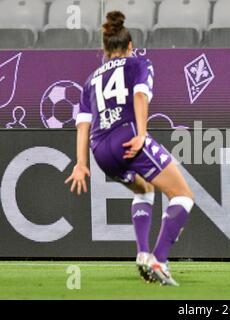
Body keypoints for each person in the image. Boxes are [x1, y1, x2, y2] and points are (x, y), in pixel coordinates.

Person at [65, 11, 194, 286]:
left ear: (104, 49)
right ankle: (159, 259)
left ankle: (143, 253)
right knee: (183, 195)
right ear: (130, 47)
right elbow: (139, 95)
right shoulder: (138, 63)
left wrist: (80, 163)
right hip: (128, 139)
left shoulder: (89, 81)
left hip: (100, 151)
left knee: (144, 189)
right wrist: (142, 134)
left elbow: (83, 125)